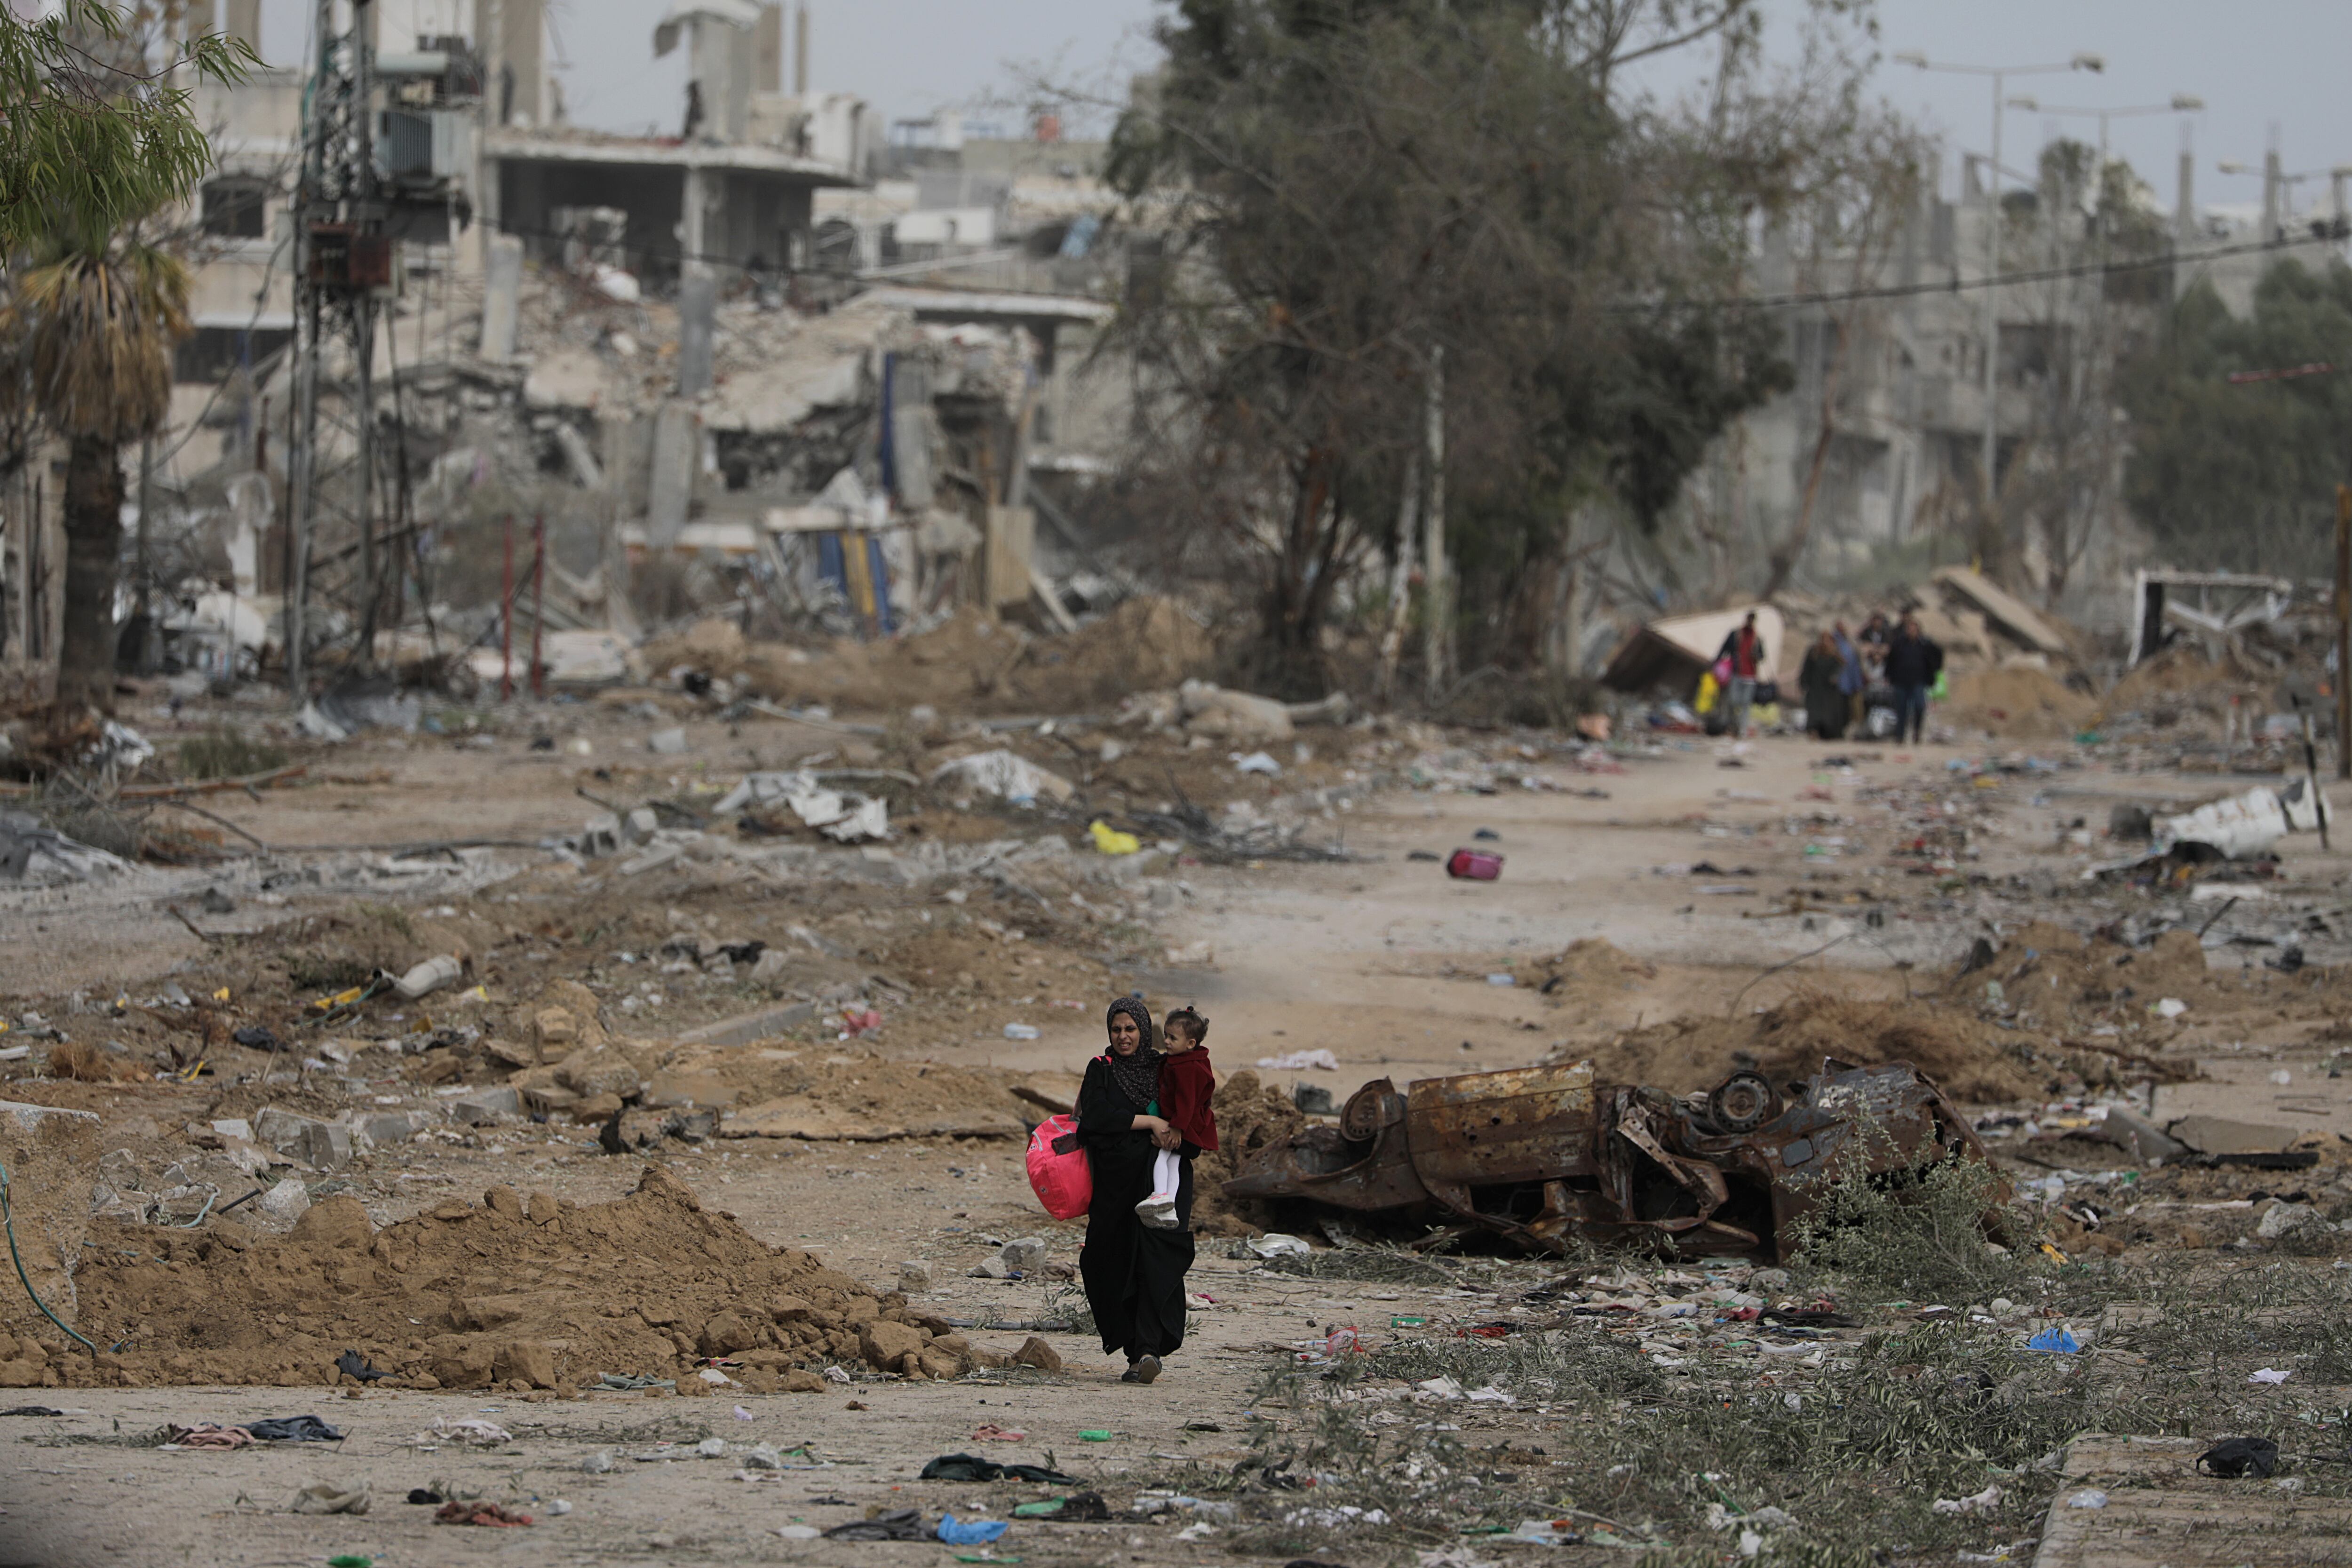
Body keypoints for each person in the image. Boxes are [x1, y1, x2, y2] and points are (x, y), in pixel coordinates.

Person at [1075, 997, 1199, 1384]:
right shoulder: (1101, 1069)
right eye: (1117, 1029)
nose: (1124, 1036)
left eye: (1131, 1029)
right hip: (1115, 1190)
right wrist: (1149, 1121)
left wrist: (1176, 1130)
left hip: (1160, 1188)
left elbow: (1192, 1113)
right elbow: (1094, 1118)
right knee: (1108, 1263)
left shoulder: (1166, 1067)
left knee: (1153, 1266)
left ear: (1145, 1031)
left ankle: (1145, 1351)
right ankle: (1133, 1346)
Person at [1138, 1007, 1218, 1229]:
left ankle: (1160, 1194)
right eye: (1166, 1036)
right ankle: (1169, 1207)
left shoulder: (1186, 1068)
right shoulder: (1191, 1060)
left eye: (1173, 1038)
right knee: (1174, 1160)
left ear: (1191, 1044)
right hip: (1191, 1124)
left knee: (1163, 1155)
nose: (1167, 1042)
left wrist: (1177, 1128)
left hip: (1185, 1125)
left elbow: (1187, 1101)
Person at [1884, 612, 1943, 745]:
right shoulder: (1899, 644)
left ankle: (1917, 732)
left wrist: (1935, 671)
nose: (1912, 632)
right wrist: (1888, 676)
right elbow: (1891, 661)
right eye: (1910, 629)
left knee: (1919, 706)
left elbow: (1938, 655)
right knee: (1901, 709)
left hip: (1918, 681)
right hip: (1901, 681)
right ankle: (1900, 736)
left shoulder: (1925, 645)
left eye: (1914, 629)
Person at [1715, 611, 1764, 739]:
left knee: (1746, 704)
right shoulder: (1736, 635)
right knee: (1733, 701)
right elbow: (1724, 649)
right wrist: (1716, 664)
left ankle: (1742, 730)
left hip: (1750, 676)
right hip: (1736, 673)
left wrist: (1755, 657)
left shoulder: (1757, 638)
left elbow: (1762, 656)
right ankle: (1733, 725)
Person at [1799, 631, 1848, 741]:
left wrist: (1835, 676)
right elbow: (1806, 668)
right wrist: (1803, 682)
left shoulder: (1834, 653)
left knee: (1829, 714)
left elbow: (1841, 665)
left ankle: (1828, 734)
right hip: (1815, 687)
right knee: (1814, 712)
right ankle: (1813, 732)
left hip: (1829, 690)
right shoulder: (1814, 652)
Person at [1833, 620, 1865, 733]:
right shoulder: (1834, 642)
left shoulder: (1851, 642)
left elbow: (1857, 661)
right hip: (1840, 681)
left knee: (1855, 707)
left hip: (1853, 679)